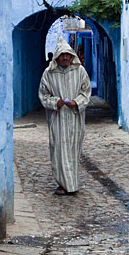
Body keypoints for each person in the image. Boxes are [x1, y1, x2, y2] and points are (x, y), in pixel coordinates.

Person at [39, 37, 91, 195]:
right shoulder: (49, 74)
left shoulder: (80, 71)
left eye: (67, 55)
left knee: (74, 150)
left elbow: (86, 91)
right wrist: (56, 102)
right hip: (58, 119)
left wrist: (76, 102)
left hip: (75, 119)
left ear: (71, 56)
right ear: (56, 57)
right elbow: (43, 95)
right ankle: (63, 184)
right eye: (62, 55)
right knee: (59, 150)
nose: (65, 58)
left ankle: (72, 183)